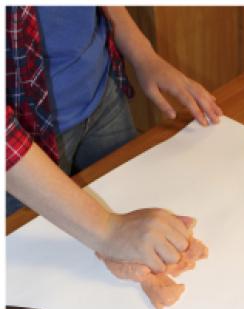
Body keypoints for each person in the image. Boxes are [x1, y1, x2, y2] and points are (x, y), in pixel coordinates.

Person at [6, 6, 223, 273]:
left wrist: (143, 54)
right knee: (34, 263)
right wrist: (107, 230)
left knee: (139, 213)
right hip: (22, 143)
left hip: (101, 94)